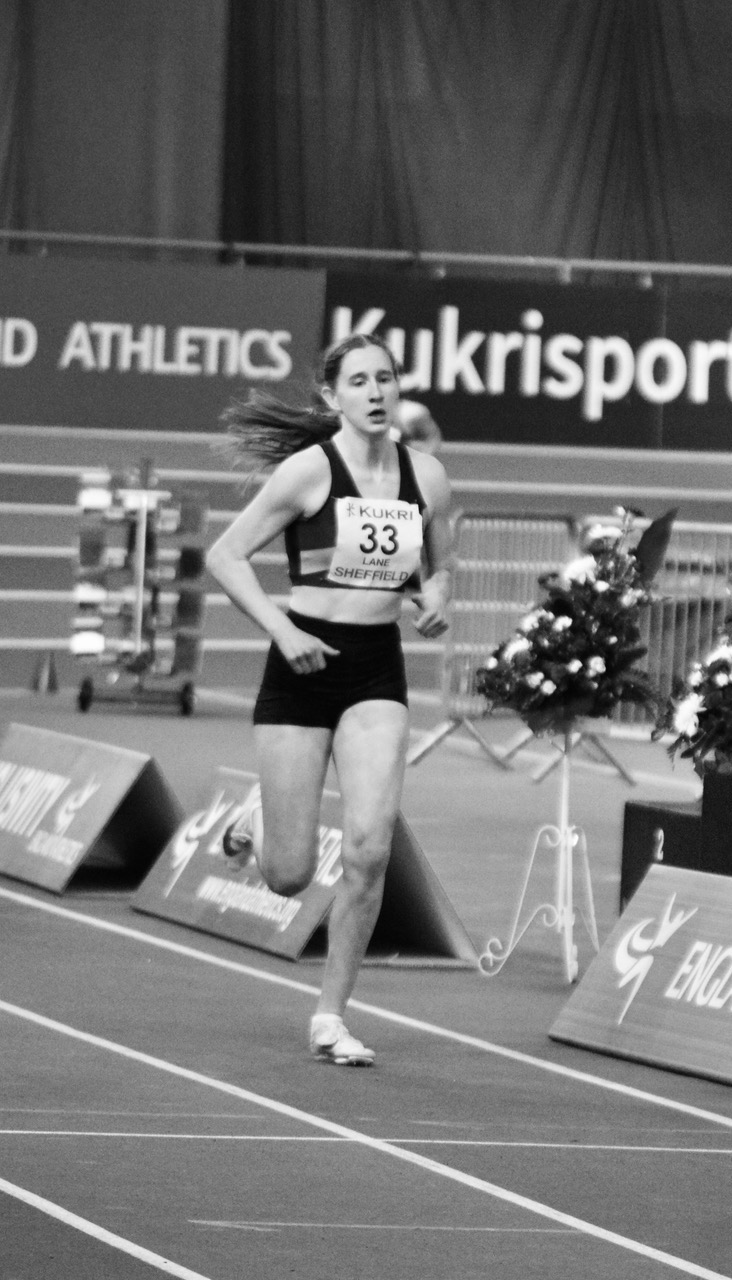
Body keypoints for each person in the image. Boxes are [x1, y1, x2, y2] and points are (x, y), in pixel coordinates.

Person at [206, 333, 454, 1067]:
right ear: (332, 395)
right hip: (302, 667)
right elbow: (225, 555)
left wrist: (434, 597)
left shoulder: (427, 477)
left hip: (376, 671)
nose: (376, 392)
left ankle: (331, 1015)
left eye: (386, 378)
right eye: (360, 381)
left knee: (369, 849)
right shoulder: (309, 471)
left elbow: (439, 566)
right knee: (287, 874)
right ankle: (255, 821)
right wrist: (282, 630)